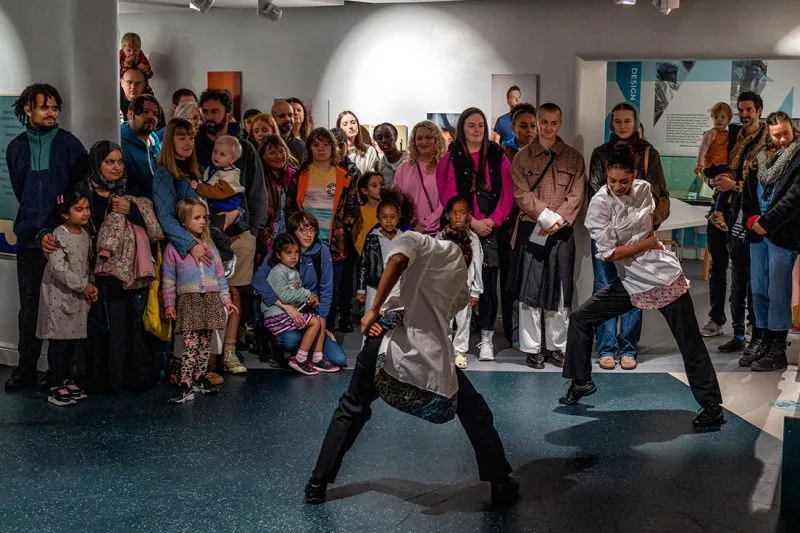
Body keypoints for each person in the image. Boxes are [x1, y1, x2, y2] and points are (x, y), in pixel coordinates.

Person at [304, 229, 518, 506]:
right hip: (421, 353)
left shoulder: (434, 259)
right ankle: (500, 481)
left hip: (381, 342)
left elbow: (400, 263)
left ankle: (317, 483)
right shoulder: (445, 252)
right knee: (474, 410)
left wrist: (378, 311)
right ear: (462, 252)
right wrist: (373, 309)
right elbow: (399, 261)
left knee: (351, 408)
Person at [562, 144, 724, 431]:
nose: (618, 186)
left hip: (663, 278)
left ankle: (712, 407)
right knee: (580, 319)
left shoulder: (645, 189)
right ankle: (582, 381)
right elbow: (611, 253)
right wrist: (644, 244)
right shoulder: (599, 204)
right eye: (612, 181)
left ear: (634, 175)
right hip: (629, 280)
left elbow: (644, 230)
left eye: (624, 181)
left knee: (689, 342)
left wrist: (644, 244)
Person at [5, 84, 89, 393]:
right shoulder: (15, 147)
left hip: (65, 239)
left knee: (67, 304)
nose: (51, 113)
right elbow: (22, 192)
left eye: (55, 107)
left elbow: (78, 192)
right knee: (29, 307)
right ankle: (26, 369)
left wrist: (56, 228)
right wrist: (36, 231)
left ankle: (63, 374)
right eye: (44, 107)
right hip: (29, 241)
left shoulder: (70, 145)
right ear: (28, 108)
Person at [587, 102, 669, 370]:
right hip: (607, 235)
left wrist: (642, 227)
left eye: (627, 121)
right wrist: (614, 230)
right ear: (612, 123)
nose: (622, 125)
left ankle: (628, 347)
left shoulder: (648, 154)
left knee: (636, 288)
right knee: (604, 287)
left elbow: (656, 192)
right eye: (618, 121)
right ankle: (606, 348)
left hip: (638, 236)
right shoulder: (600, 154)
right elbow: (598, 193)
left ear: (635, 123)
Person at [196, 88, 269, 373]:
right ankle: (207, 355)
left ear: (227, 114)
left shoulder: (245, 149)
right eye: (206, 111)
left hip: (239, 234)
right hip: (203, 233)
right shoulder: (198, 146)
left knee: (235, 292)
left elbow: (257, 191)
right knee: (208, 294)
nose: (209, 117)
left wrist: (253, 228)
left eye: (215, 111)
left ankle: (228, 351)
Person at [510, 103, 585, 369]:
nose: (548, 127)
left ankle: (557, 347)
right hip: (534, 230)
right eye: (544, 122)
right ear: (538, 122)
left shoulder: (574, 158)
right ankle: (532, 348)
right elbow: (521, 194)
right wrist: (547, 217)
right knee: (530, 291)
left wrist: (558, 220)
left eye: (553, 122)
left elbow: (576, 195)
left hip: (562, 232)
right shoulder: (522, 158)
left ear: (560, 123)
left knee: (561, 290)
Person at [437, 107, 515, 362]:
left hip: (491, 229)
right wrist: (471, 222)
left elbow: (508, 193)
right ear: (462, 128)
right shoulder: (450, 158)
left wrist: (492, 220)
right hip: (460, 231)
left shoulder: (498, 155)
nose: (477, 130)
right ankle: (451, 338)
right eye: (471, 125)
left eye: (480, 125)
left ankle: (486, 339)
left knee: (488, 288)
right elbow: (446, 194)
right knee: (455, 285)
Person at [83, 141, 159, 394]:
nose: (116, 168)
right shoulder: (83, 190)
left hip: (124, 270)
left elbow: (151, 225)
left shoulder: (130, 190)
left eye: (119, 162)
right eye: (109, 162)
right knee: (98, 325)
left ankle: (127, 377)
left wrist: (132, 210)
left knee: (125, 323)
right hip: (90, 268)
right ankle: (99, 379)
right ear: (97, 164)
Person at [703, 91, 764, 355]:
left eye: (749, 109)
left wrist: (734, 186)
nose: (745, 114)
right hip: (721, 210)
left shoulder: (766, 142)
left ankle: (752, 330)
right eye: (741, 110)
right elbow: (713, 164)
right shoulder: (731, 133)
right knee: (719, 267)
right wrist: (712, 181)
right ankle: (719, 320)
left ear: (759, 110)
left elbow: (763, 184)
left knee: (748, 275)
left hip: (747, 216)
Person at [163, 198, 238, 404]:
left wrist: (226, 299)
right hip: (189, 300)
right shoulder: (175, 248)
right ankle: (184, 382)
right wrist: (169, 303)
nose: (202, 222)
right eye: (197, 218)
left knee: (205, 341)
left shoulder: (210, 245)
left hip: (211, 299)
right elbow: (168, 278)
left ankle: (199, 376)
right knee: (190, 343)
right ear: (183, 221)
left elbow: (220, 275)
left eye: (204, 217)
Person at [741, 111, 800, 371]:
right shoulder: (759, 158)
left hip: (782, 233)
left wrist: (767, 222)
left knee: (778, 292)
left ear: (793, 130)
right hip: (757, 232)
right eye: (777, 135)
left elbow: (794, 198)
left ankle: (777, 346)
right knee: (758, 289)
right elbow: (749, 191)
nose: (782, 139)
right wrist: (753, 217)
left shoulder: (798, 157)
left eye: (786, 133)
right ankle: (761, 338)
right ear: (769, 133)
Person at [286, 128, 360, 329]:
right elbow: (291, 206)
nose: (321, 149)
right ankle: (303, 331)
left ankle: (326, 332)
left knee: (330, 290)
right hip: (303, 242)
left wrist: (342, 228)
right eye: (316, 145)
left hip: (334, 243)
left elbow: (353, 206)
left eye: (326, 145)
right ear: (309, 148)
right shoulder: (301, 175)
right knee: (302, 288)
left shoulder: (343, 176)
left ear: (333, 148)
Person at [252, 211, 347, 369]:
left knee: (339, 359)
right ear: (293, 232)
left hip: (310, 314)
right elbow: (258, 280)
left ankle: (309, 352)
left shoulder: (321, 251)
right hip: (284, 313)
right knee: (291, 340)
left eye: (312, 229)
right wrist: (287, 307)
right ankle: (285, 348)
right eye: (303, 230)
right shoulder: (283, 251)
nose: (309, 234)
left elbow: (326, 289)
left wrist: (322, 323)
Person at [37, 188, 95, 406]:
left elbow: (87, 263)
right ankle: (55, 383)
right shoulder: (58, 236)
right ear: (64, 213)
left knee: (72, 343)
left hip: (77, 298)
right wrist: (83, 285)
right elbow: (58, 269)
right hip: (58, 299)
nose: (85, 213)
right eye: (78, 209)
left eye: (87, 208)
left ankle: (67, 378)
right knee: (59, 343)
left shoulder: (86, 236)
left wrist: (91, 284)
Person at [263, 233, 328, 375]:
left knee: (320, 320)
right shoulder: (278, 272)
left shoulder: (292, 271)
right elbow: (284, 296)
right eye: (288, 253)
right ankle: (300, 359)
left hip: (287, 314)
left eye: (296, 252)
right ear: (279, 255)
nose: (293, 256)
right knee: (315, 322)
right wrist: (306, 294)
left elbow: (295, 295)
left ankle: (317, 359)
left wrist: (310, 298)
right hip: (277, 316)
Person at [499, 103, 537, 347]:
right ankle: (512, 331)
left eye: (533, 125)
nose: (529, 131)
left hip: (537, 222)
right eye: (523, 126)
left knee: (533, 279)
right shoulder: (504, 153)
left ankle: (531, 331)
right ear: (513, 127)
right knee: (511, 279)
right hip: (510, 224)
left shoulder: (544, 152)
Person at [437, 197, 483, 369]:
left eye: (462, 213)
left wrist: (475, 291)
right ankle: (446, 350)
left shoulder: (473, 238)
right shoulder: (441, 236)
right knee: (444, 320)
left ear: (468, 215)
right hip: (444, 288)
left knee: (464, 320)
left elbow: (477, 264)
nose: (458, 217)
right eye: (454, 213)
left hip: (464, 287)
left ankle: (460, 351)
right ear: (448, 215)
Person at [393, 120, 447, 235]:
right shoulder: (403, 168)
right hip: (409, 231)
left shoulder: (446, 167)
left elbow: (447, 201)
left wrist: (425, 223)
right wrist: (407, 220)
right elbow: (396, 199)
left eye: (428, 137)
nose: (424, 142)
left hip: (438, 233)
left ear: (436, 140)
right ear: (414, 141)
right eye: (419, 138)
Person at [191, 135, 247, 244]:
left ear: (232, 159)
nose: (217, 156)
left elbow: (218, 192)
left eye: (222, 154)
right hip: (215, 204)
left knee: (217, 228)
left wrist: (199, 187)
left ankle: (222, 244)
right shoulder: (214, 167)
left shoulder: (231, 175)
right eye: (215, 152)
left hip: (225, 205)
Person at [356, 191, 404, 315]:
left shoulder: (404, 239)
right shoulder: (372, 238)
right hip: (374, 287)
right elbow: (363, 264)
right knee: (372, 318)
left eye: (392, 217)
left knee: (393, 321)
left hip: (397, 288)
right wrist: (361, 289)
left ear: (398, 218)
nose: (389, 221)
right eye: (384, 217)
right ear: (378, 218)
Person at [257, 134, 298, 262]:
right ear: (263, 155)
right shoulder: (258, 177)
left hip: (288, 230)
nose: (279, 156)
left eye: (281, 151)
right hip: (267, 230)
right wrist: (260, 231)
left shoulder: (294, 174)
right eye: (272, 153)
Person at [695, 102, 733, 230]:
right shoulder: (711, 133)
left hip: (720, 166)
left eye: (723, 117)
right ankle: (717, 213)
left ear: (729, 119)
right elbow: (702, 149)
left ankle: (717, 212)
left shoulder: (728, 134)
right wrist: (699, 164)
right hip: (712, 167)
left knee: (726, 186)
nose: (719, 120)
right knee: (726, 185)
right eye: (715, 117)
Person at [121, 94, 162, 198]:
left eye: (155, 114)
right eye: (145, 112)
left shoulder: (156, 145)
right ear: (131, 114)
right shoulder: (121, 143)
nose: (151, 117)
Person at [353, 171, 383, 255]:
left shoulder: (389, 208)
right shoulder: (360, 211)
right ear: (365, 190)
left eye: (382, 184)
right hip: (366, 254)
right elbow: (356, 234)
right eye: (374, 185)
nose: (379, 188)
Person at [373, 123, 407, 188]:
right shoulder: (380, 165)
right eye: (379, 138)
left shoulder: (410, 161)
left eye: (387, 136)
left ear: (395, 137)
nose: (384, 140)